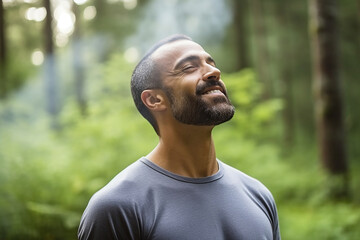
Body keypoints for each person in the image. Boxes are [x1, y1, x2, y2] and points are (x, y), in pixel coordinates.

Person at [78, 34, 281, 240]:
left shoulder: (258, 195)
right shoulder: (118, 207)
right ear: (155, 99)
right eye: (189, 68)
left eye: (211, 63)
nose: (214, 71)